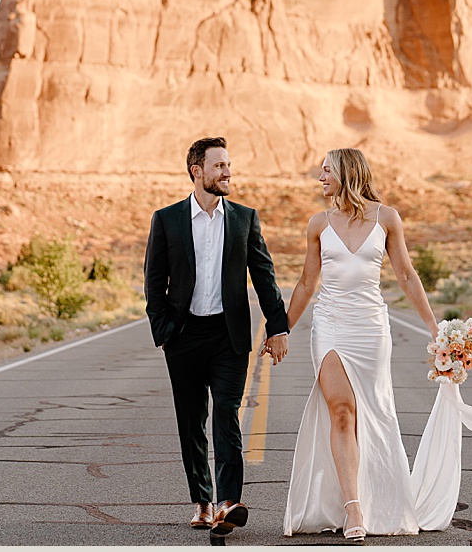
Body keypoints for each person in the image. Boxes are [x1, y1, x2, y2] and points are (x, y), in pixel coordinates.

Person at [281, 147, 439, 540]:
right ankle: (352, 508)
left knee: (376, 412)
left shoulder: (387, 218)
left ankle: (381, 500)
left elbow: (406, 275)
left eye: (326, 171)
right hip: (330, 326)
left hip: (371, 329)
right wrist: (280, 328)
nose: (320, 178)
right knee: (341, 412)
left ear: (347, 173)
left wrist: (434, 328)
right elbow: (306, 283)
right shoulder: (318, 223)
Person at [143, 136, 290, 536]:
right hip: (184, 335)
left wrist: (277, 326)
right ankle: (203, 501)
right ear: (198, 172)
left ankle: (228, 502)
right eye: (220, 166)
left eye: (228, 165)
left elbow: (265, 276)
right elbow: (154, 281)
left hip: (229, 337)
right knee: (191, 421)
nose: (228, 172)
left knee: (227, 415)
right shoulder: (167, 219)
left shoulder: (244, 218)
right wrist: (163, 331)